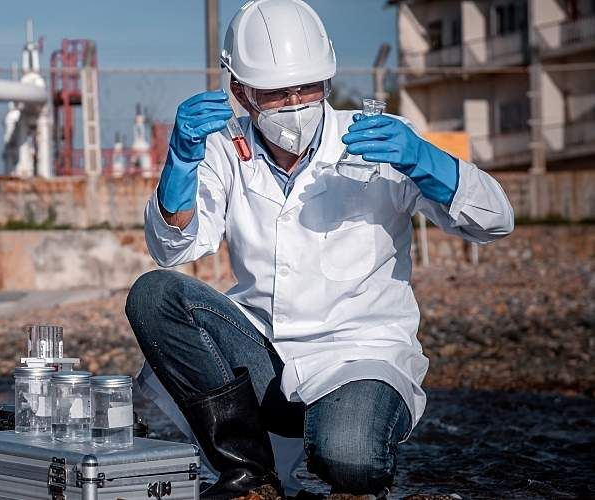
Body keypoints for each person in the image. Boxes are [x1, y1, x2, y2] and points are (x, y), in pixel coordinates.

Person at [125, 0, 514, 498]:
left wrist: (424, 160)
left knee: (350, 462)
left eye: (307, 87)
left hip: (359, 356)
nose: (294, 103)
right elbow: (172, 248)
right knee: (156, 294)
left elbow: (495, 222)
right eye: (275, 92)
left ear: (327, 81)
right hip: (263, 357)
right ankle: (249, 473)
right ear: (241, 92)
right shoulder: (224, 146)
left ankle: (339, 442)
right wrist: (179, 161)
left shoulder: (376, 140)